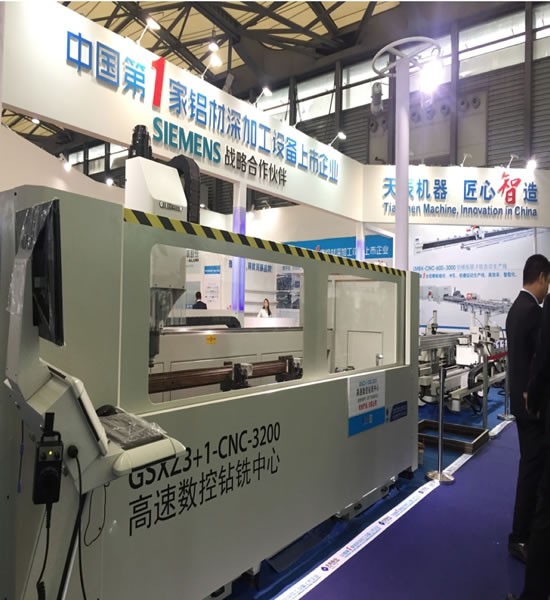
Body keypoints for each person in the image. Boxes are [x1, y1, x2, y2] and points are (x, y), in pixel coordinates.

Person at [505, 254, 550, 564]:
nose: (547, 289)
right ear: (542, 277)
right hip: (530, 405)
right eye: (548, 282)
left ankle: (526, 531)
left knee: (531, 467)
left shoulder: (515, 308)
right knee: (531, 471)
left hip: (521, 403)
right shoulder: (534, 311)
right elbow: (539, 363)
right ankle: (520, 537)